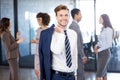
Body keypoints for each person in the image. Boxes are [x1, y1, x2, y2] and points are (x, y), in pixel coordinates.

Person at [39, 4, 78, 80]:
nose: (64, 18)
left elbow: (74, 54)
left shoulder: (73, 33)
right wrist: (62, 34)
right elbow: (57, 50)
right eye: (61, 15)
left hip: (71, 75)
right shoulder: (50, 34)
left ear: (69, 17)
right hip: (57, 76)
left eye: (66, 15)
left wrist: (75, 73)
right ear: (56, 17)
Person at [30, 12, 50, 80]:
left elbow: (45, 42)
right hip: (37, 54)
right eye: (37, 19)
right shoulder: (38, 29)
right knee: (36, 71)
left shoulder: (48, 30)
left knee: (41, 73)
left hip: (43, 55)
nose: (38, 21)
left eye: (39, 19)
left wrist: (35, 41)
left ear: (44, 19)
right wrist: (35, 41)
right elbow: (38, 40)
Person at [69, 8, 87, 80]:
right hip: (77, 55)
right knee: (80, 75)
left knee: (80, 74)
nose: (81, 16)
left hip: (77, 55)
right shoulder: (74, 26)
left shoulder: (75, 25)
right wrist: (83, 56)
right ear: (76, 15)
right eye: (80, 14)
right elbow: (77, 43)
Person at [94, 14, 113, 80]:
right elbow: (102, 41)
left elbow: (109, 44)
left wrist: (98, 50)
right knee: (104, 73)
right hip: (101, 52)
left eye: (100, 18)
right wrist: (96, 45)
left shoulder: (108, 29)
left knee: (99, 74)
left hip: (104, 53)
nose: (99, 20)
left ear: (104, 19)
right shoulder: (103, 29)